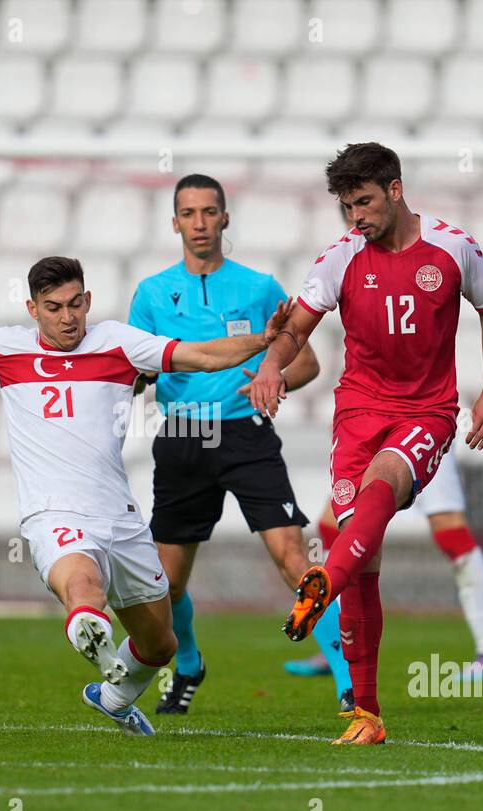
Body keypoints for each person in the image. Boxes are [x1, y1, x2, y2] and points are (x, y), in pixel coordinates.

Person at [0, 256, 291, 736]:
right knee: (83, 586)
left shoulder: (119, 344)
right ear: (33, 309)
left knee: (160, 644)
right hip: (53, 512)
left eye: (75, 304)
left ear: (88, 301)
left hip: (119, 517)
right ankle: (86, 623)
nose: (67, 317)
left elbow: (203, 355)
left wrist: (261, 342)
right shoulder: (5, 348)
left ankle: (113, 695)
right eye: (54, 307)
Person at [249, 143, 483, 745]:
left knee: (381, 487)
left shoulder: (451, 247)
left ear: (395, 189)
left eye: (363, 202)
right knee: (365, 563)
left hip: (425, 411)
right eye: (346, 207)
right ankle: (365, 715)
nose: (355, 217)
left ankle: (322, 584)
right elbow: (296, 328)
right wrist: (270, 367)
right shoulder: (341, 259)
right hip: (358, 413)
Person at [129, 173, 331, 714]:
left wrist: (276, 378)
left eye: (209, 212)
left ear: (225, 217)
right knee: (164, 586)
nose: (199, 223)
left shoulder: (260, 287)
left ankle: (349, 686)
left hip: (246, 433)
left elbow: (307, 359)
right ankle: (189, 662)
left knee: (295, 561)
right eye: (188, 214)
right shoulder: (150, 295)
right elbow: (136, 372)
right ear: (175, 223)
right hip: (182, 436)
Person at [286, 452, 483, 706]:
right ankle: (340, 646)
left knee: (451, 531)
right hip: (374, 427)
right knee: (333, 524)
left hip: (416, 425)